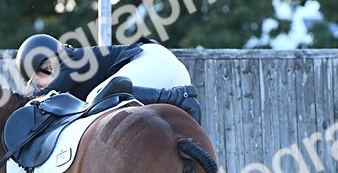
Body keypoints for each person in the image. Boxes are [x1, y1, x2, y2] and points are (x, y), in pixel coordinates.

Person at [15, 33, 202, 124]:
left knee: (96, 96)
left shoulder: (68, 59)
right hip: (168, 77)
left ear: (44, 67)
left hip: (153, 61)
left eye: (34, 82)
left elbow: (47, 96)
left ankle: (179, 99)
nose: (37, 88)